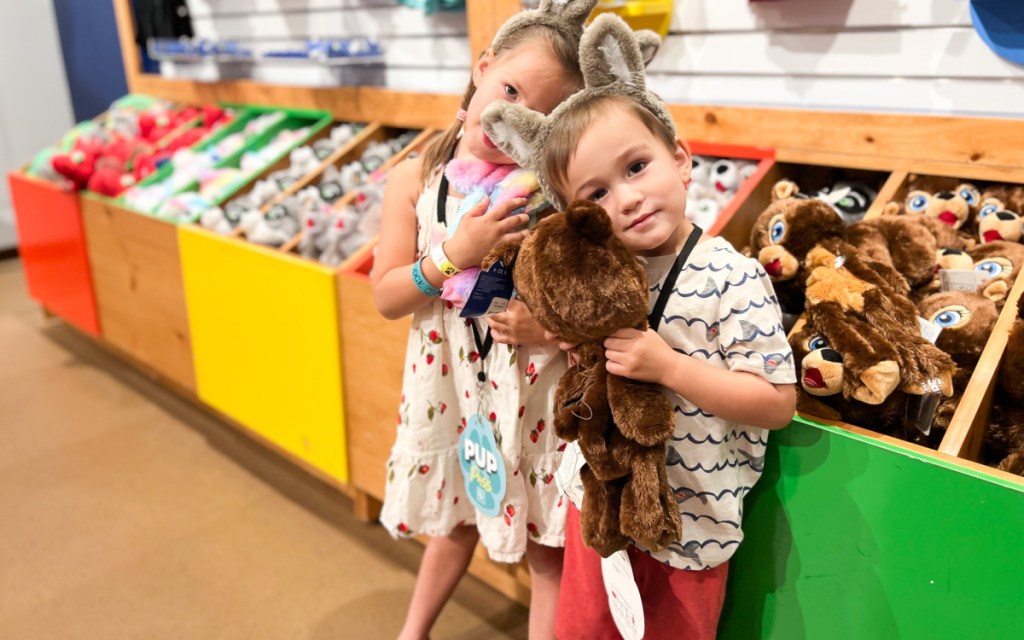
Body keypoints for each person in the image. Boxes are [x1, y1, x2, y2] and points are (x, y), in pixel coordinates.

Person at [480, 14, 797, 639]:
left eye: (635, 167)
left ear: (681, 160)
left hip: (690, 523)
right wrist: (556, 336)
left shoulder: (730, 276)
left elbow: (776, 403)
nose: (624, 199)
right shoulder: (601, 264)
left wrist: (670, 367)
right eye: (594, 194)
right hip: (600, 505)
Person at [371, 3, 598, 639]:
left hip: (529, 396)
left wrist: (545, 329)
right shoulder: (415, 180)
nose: (507, 122)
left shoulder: (557, 193)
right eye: (507, 91)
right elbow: (389, 297)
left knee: (545, 554)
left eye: (535, 116)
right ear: (483, 67)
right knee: (456, 521)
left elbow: (595, 309)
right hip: (450, 387)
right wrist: (451, 257)